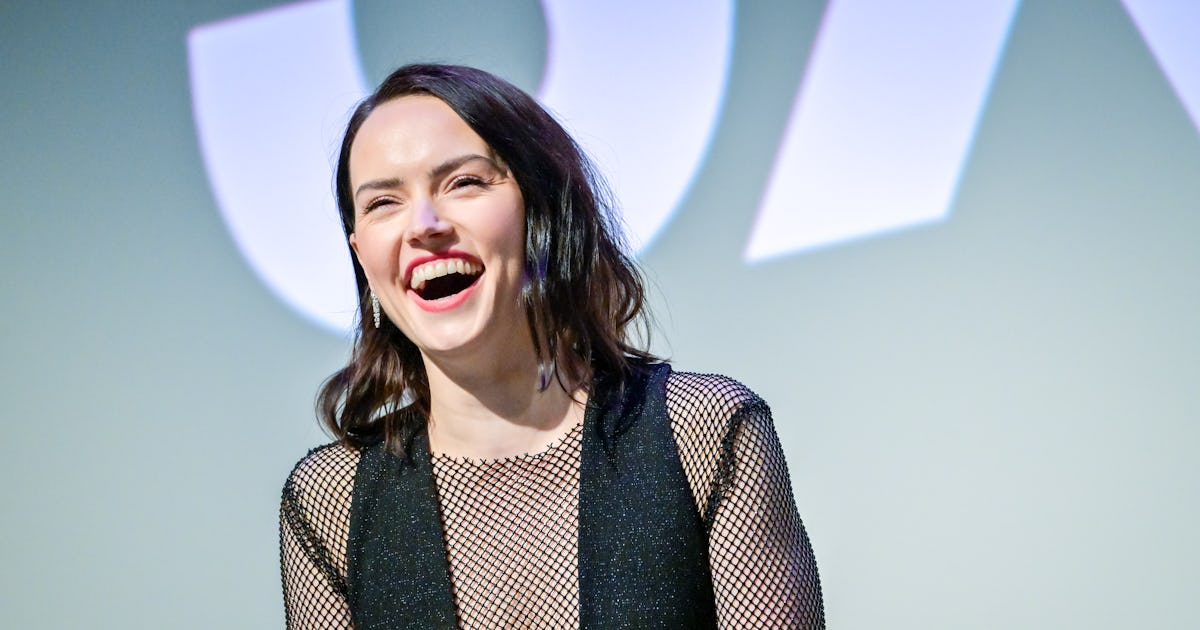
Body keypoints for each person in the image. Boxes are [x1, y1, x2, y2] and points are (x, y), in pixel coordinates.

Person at [279, 63, 824, 629]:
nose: (423, 224)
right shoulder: (330, 499)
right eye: (382, 203)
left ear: (542, 208)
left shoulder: (702, 434)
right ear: (361, 254)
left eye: (463, 182)